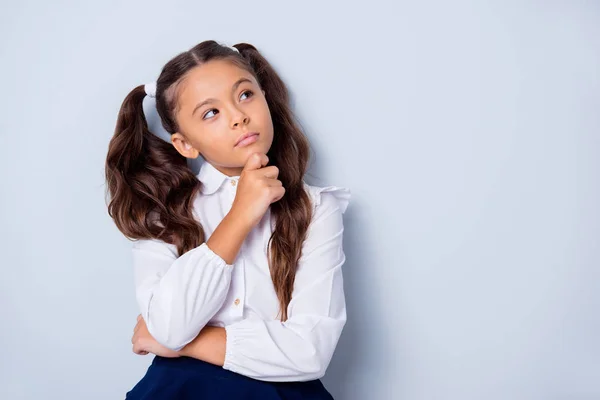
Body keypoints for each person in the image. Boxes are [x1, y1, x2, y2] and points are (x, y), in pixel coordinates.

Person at [104, 40, 351, 399]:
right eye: (210, 113)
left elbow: (311, 351)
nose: (238, 116)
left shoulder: (316, 209)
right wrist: (240, 216)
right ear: (185, 145)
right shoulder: (163, 215)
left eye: (246, 94)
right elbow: (171, 326)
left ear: (265, 98)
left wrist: (186, 344)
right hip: (180, 390)